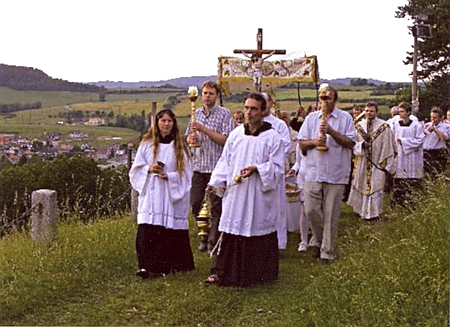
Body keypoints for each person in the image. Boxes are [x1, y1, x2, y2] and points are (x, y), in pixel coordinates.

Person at [204, 92, 284, 287]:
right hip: (236, 193)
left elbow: (278, 168)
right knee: (232, 226)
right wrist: (215, 182)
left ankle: (256, 275)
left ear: (263, 111)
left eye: (254, 109)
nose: (248, 112)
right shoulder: (236, 134)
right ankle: (226, 272)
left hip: (258, 194)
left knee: (256, 228)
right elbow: (225, 160)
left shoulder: (273, 137)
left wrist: (258, 169)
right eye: (246, 108)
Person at [129, 109, 194, 279]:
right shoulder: (147, 144)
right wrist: (148, 169)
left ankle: (167, 266)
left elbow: (187, 173)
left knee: (168, 229)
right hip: (152, 192)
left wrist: (170, 176)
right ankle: (145, 266)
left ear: (174, 124)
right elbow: (135, 169)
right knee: (148, 228)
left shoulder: (180, 146)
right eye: (163, 121)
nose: (166, 124)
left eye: (169, 121)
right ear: (157, 123)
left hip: (170, 193)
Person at [297, 84, 357, 263]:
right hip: (314, 170)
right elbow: (301, 143)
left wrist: (331, 131)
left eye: (328, 98)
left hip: (335, 172)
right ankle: (320, 239)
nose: (324, 101)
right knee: (311, 210)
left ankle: (327, 252)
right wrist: (315, 142)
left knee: (330, 213)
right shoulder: (311, 119)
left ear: (335, 100)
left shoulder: (345, 118)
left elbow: (350, 143)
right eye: (322, 98)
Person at [185, 80, 234, 253]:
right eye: (205, 93)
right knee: (196, 203)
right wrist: (191, 140)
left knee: (216, 206)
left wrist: (204, 130)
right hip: (199, 166)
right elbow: (187, 137)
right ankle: (202, 234)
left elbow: (226, 140)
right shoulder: (196, 113)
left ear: (217, 96)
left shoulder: (225, 114)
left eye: (210, 93)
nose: (207, 96)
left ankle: (213, 239)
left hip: (216, 168)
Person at [347, 101, 396, 221]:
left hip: (377, 161)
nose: (369, 113)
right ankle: (361, 211)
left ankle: (374, 213)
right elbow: (353, 143)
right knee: (361, 184)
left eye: (372, 111)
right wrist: (361, 146)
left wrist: (383, 161)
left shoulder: (384, 126)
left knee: (376, 185)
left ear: (376, 112)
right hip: (363, 161)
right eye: (367, 111)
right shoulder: (358, 126)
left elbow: (388, 145)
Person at [262, 92, 292, 250]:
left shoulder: (279, 124)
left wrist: (268, 161)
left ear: (271, 103)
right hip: (256, 174)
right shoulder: (251, 124)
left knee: (276, 208)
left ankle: (278, 243)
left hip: (272, 171)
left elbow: (286, 146)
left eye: (265, 102)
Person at [391, 102, 425, 208]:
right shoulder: (396, 125)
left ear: (408, 112)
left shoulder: (416, 126)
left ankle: (413, 203)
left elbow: (420, 140)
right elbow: (392, 139)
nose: (399, 114)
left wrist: (404, 142)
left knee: (412, 179)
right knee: (399, 179)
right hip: (400, 156)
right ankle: (398, 204)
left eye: (402, 111)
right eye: (399, 111)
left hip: (413, 157)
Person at [422, 108, 449, 176]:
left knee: (437, 174)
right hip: (426, 152)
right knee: (426, 174)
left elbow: (444, 138)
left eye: (435, 118)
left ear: (441, 118)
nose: (432, 119)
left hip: (438, 152)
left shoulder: (446, 127)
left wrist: (435, 129)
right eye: (431, 117)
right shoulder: (427, 125)